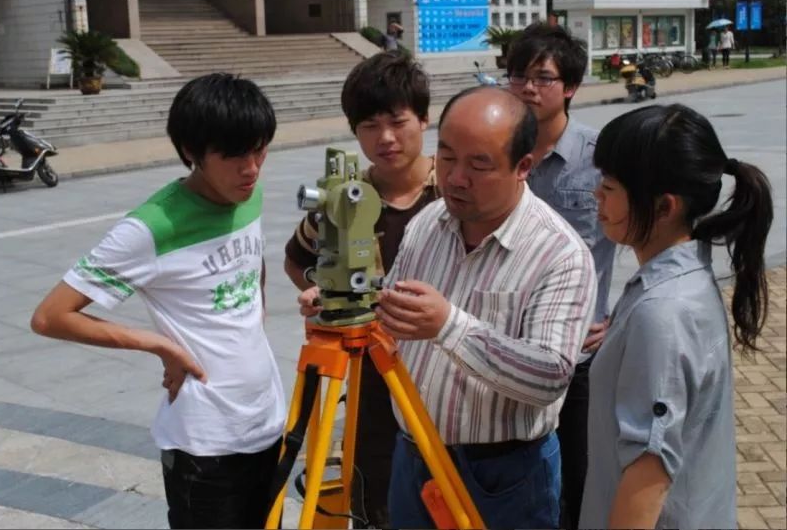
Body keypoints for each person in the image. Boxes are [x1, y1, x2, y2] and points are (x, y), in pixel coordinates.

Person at [299, 87, 597, 528]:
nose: (457, 177)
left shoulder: (559, 254)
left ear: (523, 167)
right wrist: (351, 303)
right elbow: (397, 314)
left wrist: (449, 325)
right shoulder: (428, 223)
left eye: (479, 164)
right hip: (414, 454)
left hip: (504, 474)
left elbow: (549, 375)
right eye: (449, 157)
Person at [31, 73, 286, 529]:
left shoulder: (250, 195)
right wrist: (159, 345)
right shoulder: (152, 227)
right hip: (205, 448)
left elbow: (254, 265)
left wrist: (252, 317)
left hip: (267, 425)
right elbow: (51, 317)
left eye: (259, 149)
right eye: (233, 155)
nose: (251, 168)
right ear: (192, 152)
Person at [580, 103, 773, 528]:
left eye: (610, 187)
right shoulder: (675, 286)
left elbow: (646, 476)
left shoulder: (663, 312)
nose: (597, 195)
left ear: (665, 207)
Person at [284, 50, 437, 528]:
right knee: (379, 506)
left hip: (444, 385)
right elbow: (297, 260)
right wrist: (319, 289)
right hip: (373, 386)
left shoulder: (454, 192)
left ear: (424, 119)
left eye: (398, 121)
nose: (385, 138)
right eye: (369, 125)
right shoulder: (341, 197)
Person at [506, 22, 615, 529]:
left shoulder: (601, 159)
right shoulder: (503, 155)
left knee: (580, 478)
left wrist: (622, 319)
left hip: (580, 358)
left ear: (570, 87)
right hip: (510, 350)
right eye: (518, 76)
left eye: (542, 77)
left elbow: (656, 240)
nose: (528, 87)